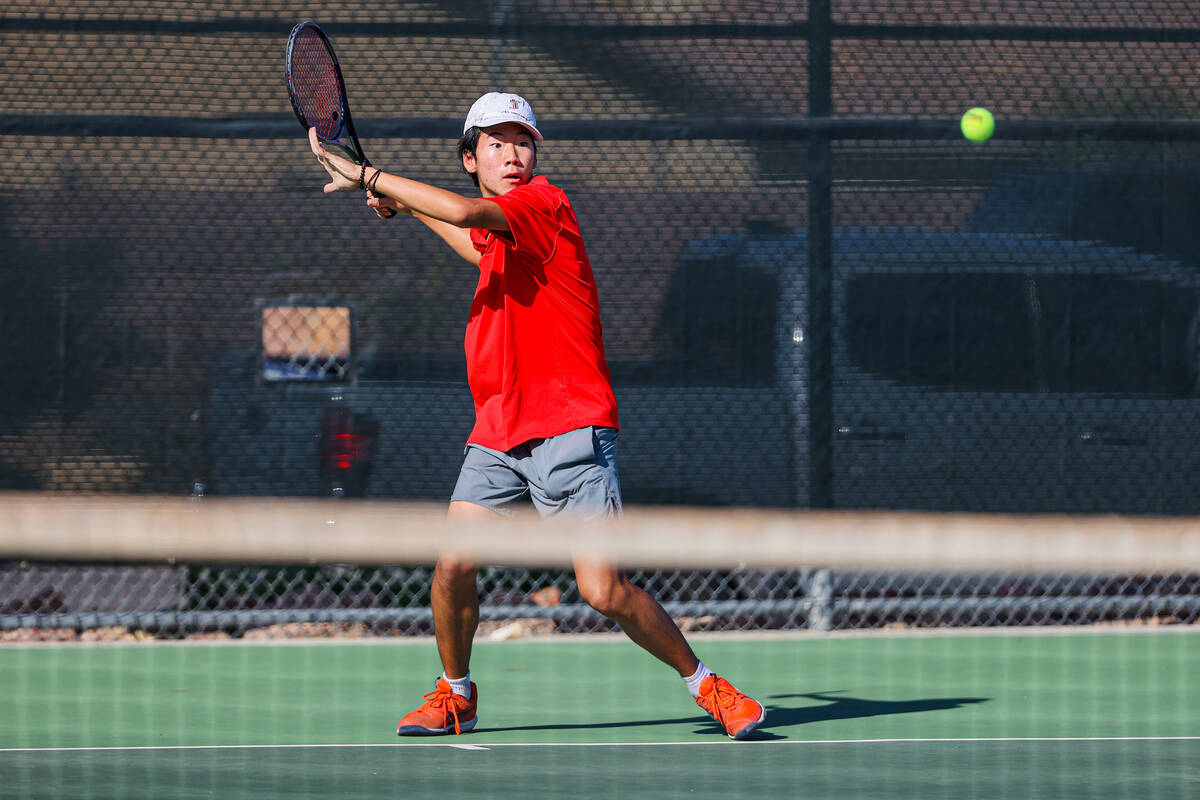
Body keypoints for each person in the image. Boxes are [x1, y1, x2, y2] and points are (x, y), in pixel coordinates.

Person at [307, 92, 765, 740]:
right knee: (451, 565)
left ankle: (708, 685)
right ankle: (456, 694)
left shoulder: (544, 205)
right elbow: (471, 241)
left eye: (523, 140)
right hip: (498, 428)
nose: (514, 154)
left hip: (572, 424)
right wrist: (404, 205)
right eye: (497, 143)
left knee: (603, 592)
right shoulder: (501, 237)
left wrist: (370, 177)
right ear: (472, 157)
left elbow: (466, 212)